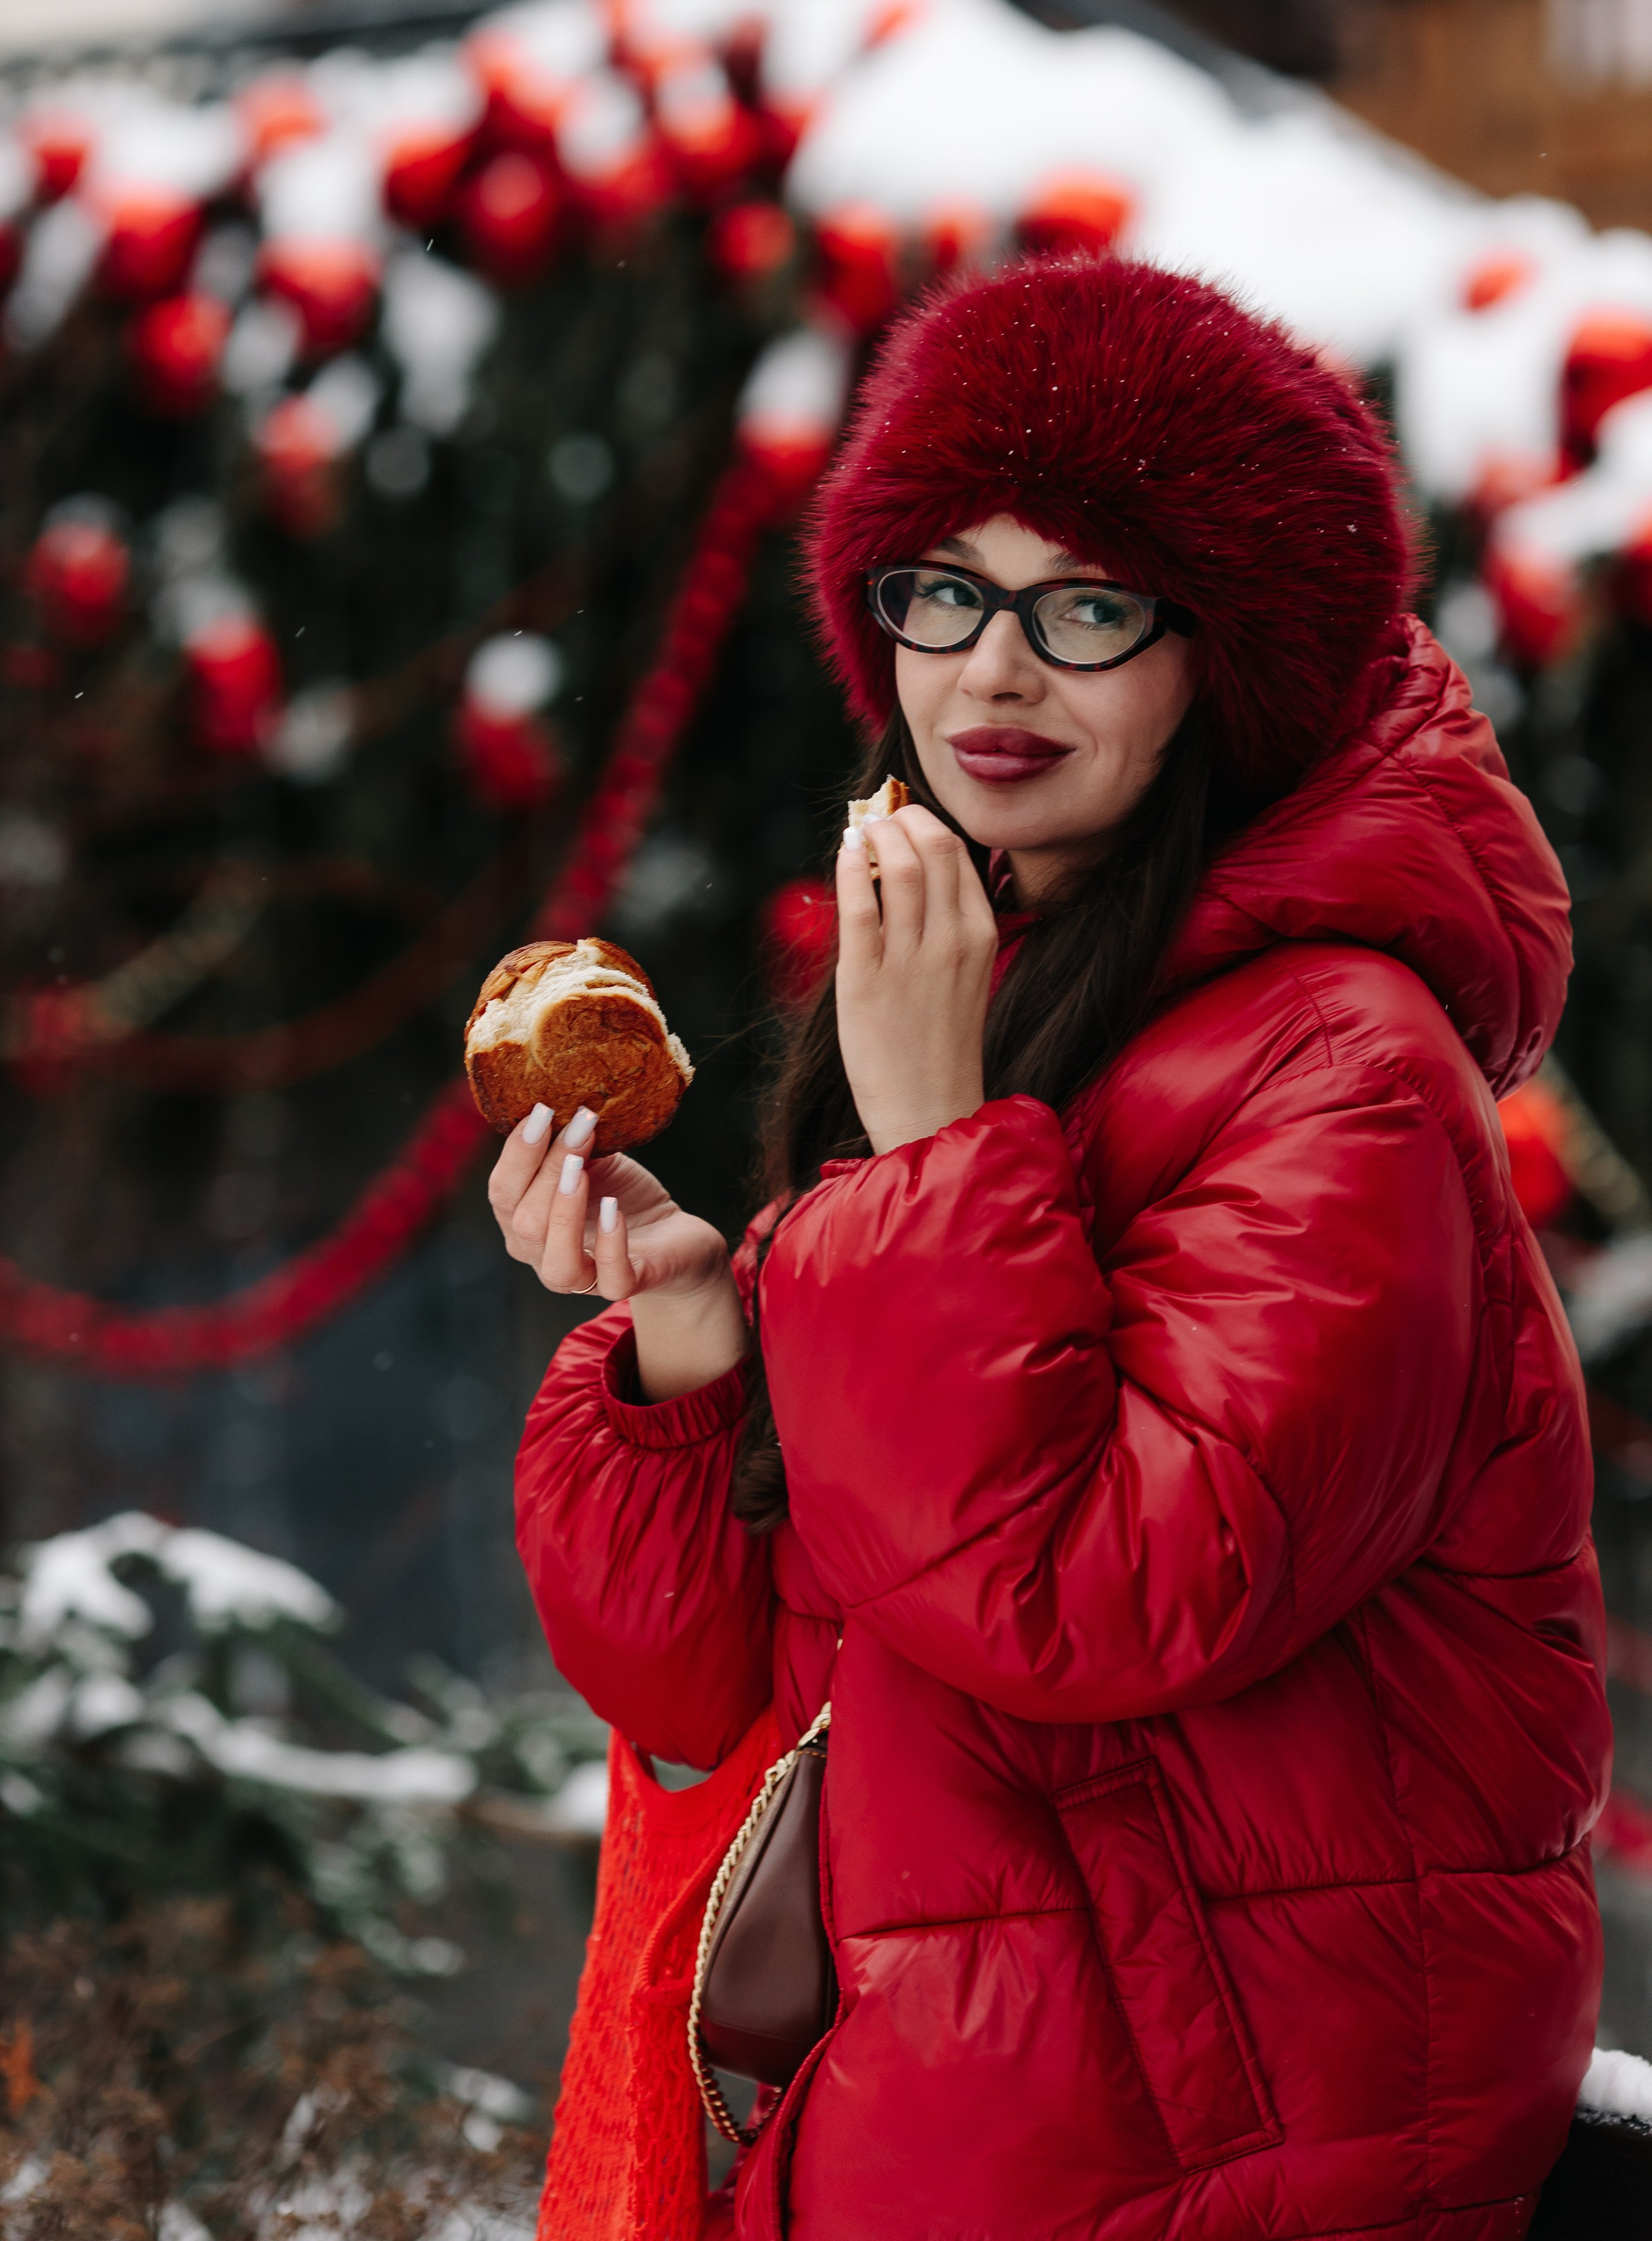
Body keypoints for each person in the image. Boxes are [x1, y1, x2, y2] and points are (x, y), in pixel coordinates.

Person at [497, 257, 1610, 2239]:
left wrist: (929, 1147)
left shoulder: (1348, 1069)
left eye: (1085, 608)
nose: (990, 675)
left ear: (1226, 659)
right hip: (988, 2056)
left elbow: (1096, 1605)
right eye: (945, 590)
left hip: (1233, 2112)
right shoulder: (1014, 985)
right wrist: (686, 1342)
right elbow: (699, 1683)